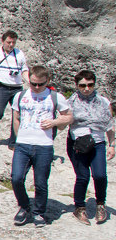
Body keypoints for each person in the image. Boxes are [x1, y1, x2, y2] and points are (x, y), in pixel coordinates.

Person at [10, 65, 72, 227]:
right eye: (33, 84)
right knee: (16, 178)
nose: (36, 87)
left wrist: (54, 122)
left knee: (41, 182)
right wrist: (19, 138)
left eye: (40, 84)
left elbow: (68, 117)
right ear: (28, 80)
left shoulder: (55, 97)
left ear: (47, 81)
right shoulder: (20, 95)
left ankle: (39, 212)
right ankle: (24, 206)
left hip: (44, 145)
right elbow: (16, 118)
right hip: (23, 144)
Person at [65, 69, 114, 225]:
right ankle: (79, 207)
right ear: (77, 85)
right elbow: (63, 121)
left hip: (98, 142)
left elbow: (109, 126)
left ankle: (100, 204)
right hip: (78, 143)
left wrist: (112, 145)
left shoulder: (104, 102)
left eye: (90, 85)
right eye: (82, 85)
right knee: (83, 176)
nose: (86, 89)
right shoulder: (70, 102)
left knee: (100, 175)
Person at [0, 30, 30, 145]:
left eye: (13, 42)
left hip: (17, 88)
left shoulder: (19, 53)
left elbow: (24, 70)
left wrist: (30, 82)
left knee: (18, 115)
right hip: (0, 87)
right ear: (3, 41)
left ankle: (14, 142)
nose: (11, 45)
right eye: (8, 42)